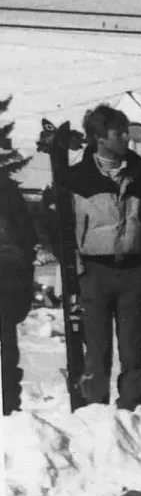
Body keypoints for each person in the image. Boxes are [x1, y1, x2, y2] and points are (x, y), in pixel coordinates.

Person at [66, 104, 141, 409]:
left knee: (133, 353)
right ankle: (94, 415)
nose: (127, 137)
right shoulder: (76, 179)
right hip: (94, 274)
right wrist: (78, 271)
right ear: (100, 137)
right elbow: (63, 231)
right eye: (120, 132)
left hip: (135, 276)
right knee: (96, 352)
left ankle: (131, 413)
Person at [1, 164, 37, 414]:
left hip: (6, 274)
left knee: (7, 349)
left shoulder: (7, 190)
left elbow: (26, 237)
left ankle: (10, 408)